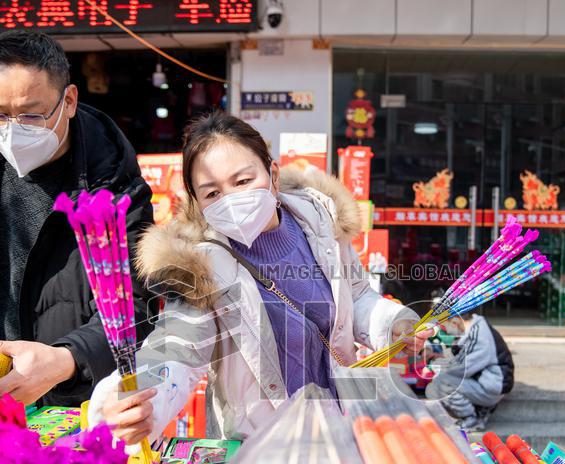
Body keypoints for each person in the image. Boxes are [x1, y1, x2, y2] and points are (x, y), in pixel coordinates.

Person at [90, 112, 431, 442]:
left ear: (273, 174)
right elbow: (176, 348)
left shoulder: (319, 221)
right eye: (212, 193)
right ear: (197, 202)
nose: (232, 199)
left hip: (340, 428)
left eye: (243, 181)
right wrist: (134, 400)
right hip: (261, 448)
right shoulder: (199, 264)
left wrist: (393, 322)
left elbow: (355, 297)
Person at [0, 30, 154, 406]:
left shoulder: (113, 184)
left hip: (81, 396)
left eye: (32, 114)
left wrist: (66, 359)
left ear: (70, 100)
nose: (14, 130)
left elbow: (136, 303)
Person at [424, 314, 514, 431]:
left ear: (455, 322)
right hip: (491, 382)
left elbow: (462, 368)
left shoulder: (478, 334)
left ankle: (471, 418)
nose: (445, 330)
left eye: (445, 325)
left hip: (493, 386)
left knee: (440, 381)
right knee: (444, 377)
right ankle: (481, 408)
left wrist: (434, 361)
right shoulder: (475, 328)